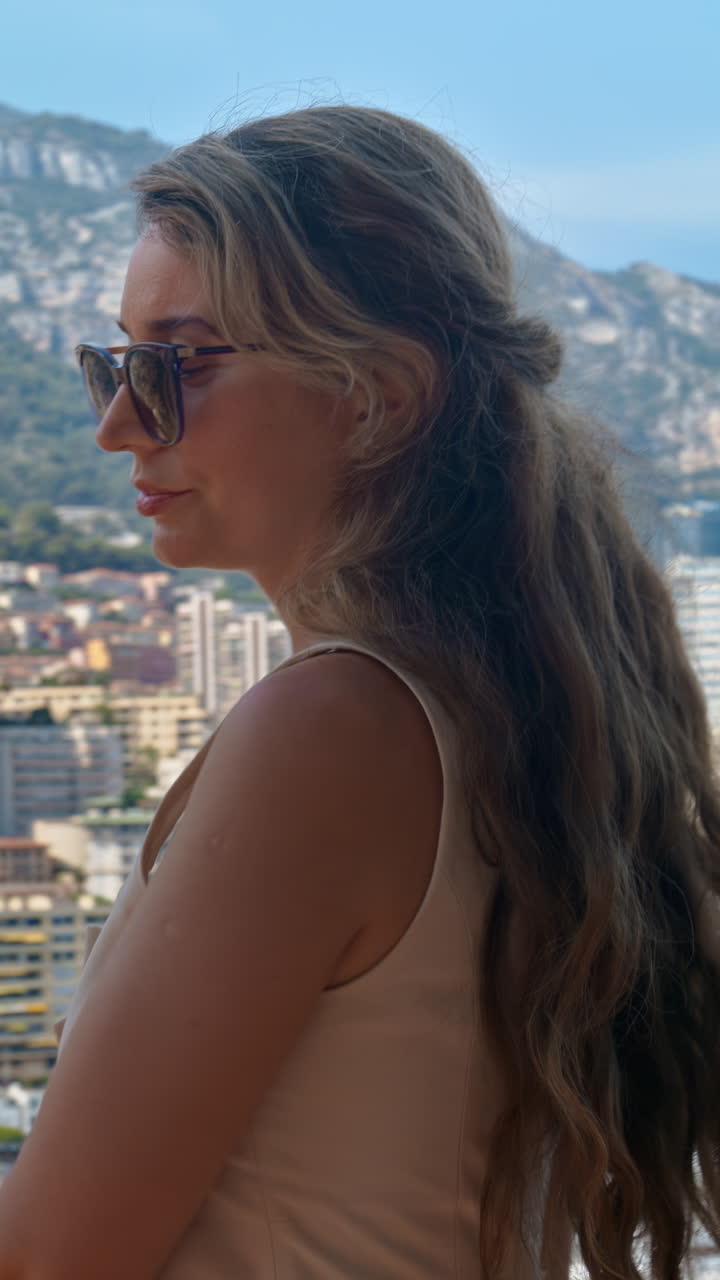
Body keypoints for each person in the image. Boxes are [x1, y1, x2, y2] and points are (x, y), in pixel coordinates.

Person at [0, 104, 717, 1280]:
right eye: (113, 365)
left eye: (172, 364)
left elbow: (51, 1258)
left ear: (381, 391)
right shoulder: (488, 710)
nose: (118, 425)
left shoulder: (335, 731)